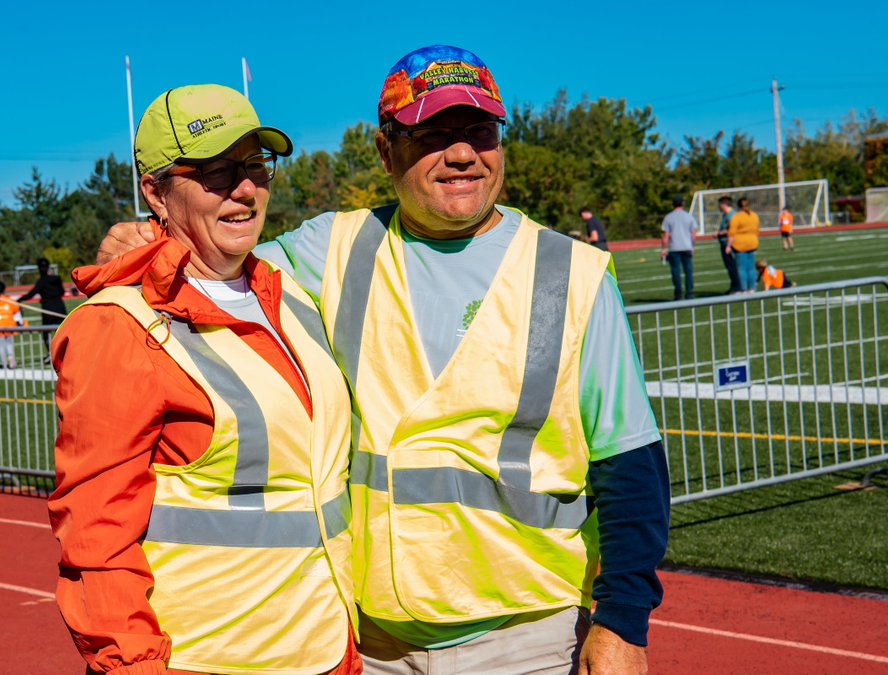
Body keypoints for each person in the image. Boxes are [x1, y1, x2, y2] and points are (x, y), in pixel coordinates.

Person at [99, 45, 668, 675]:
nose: (461, 154)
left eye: (479, 132)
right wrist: (145, 237)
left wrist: (623, 621)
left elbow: (631, 465)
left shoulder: (575, 274)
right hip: (369, 643)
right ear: (384, 151)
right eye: (432, 135)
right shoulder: (331, 248)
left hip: (528, 640)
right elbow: (212, 260)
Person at [48, 84, 361, 675]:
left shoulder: (288, 291)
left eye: (253, 166)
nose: (243, 188)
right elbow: (95, 535)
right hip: (209, 658)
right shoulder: (117, 325)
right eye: (214, 172)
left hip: (324, 649)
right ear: (155, 191)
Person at [16, 257, 68, 361]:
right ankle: (65, 354)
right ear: (48, 267)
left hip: (48, 310)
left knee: (46, 334)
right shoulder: (57, 278)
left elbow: (31, 294)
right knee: (62, 332)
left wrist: (19, 300)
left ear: (39, 268)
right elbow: (62, 292)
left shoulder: (42, 281)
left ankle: (51, 354)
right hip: (60, 308)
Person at [660, 195, 698, 301]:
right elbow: (693, 234)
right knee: (688, 271)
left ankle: (678, 294)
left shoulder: (668, 217)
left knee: (676, 272)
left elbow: (666, 237)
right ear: (683, 203)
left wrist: (663, 250)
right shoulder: (688, 216)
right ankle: (689, 293)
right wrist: (692, 246)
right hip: (686, 247)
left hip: (674, 248)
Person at [0, 281, 23, 369]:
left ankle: (4, 363)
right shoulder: (10, 300)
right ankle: (10, 361)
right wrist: (19, 323)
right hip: (9, 325)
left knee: (2, 345)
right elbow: (17, 313)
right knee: (9, 344)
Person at [727, 197, 760, 293]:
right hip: (753, 242)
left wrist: (728, 246)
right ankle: (752, 288)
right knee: (751, 267)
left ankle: (744, 288)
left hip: (740, 245)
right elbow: (757, 229)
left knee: (741, 268)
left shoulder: (737, 217)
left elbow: (731, 233)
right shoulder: (754, 215)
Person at [715, 196, 742, 294]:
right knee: (730, 267)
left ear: (723, 205)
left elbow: (732, 230)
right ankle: (734, 286)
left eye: (720, 205)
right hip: (724, 243)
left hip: (729, 244)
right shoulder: (726, 215)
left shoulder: (732, 215)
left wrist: (719, 233)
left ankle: (737, 287)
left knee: (732, 266)